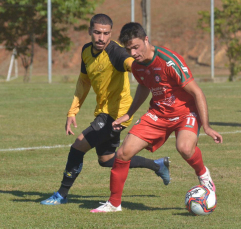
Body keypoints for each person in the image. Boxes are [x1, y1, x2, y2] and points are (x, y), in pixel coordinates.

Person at [91, 22, 223, 213]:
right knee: (123, 153)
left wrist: (208, 127)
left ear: (146, 39)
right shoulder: (137, 66)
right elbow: (144, 86)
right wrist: (129, 113)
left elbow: (197, 92)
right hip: (158, 114)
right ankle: (113, 204)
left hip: (185, 112)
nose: (134, 53)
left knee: (185, 148)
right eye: (129, 49)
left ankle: (204, 177)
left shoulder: (169, 61)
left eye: (136, 47)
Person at [40, 15, 171, 205]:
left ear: (111, 33)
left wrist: (150, 67)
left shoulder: (116, 52)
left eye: (106, 33)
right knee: (107, 159)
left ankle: (61, 194)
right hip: (103, 111)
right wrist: (72, 111)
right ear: (90, 31)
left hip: (117, 114)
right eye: (97, 32)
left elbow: (131, 63)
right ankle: (157, 165)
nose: (102, 37)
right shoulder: (86, 51)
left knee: (78, 146)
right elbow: (84, 82)